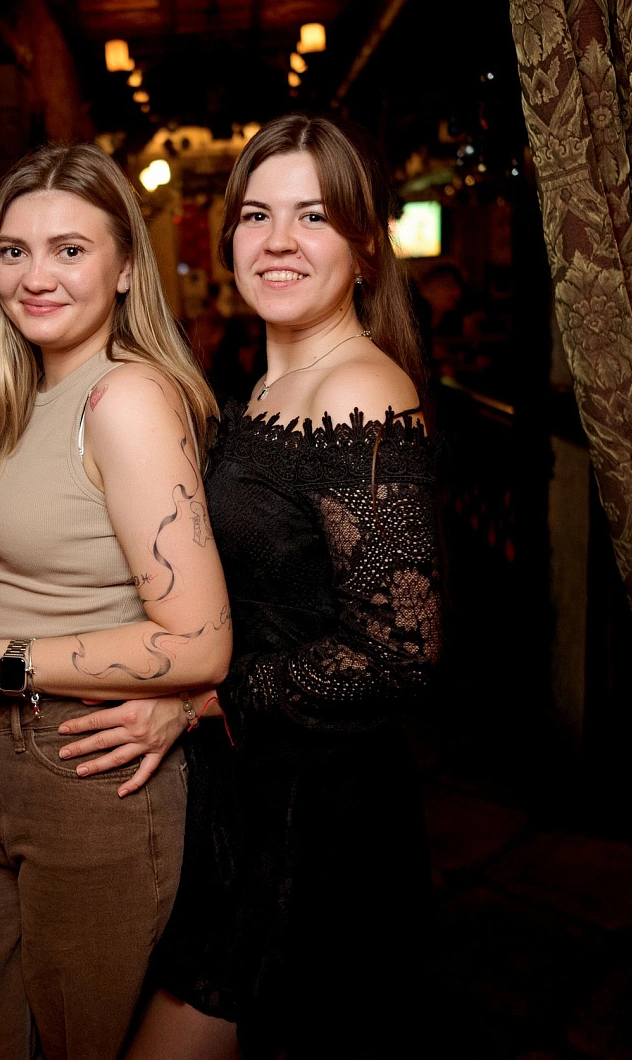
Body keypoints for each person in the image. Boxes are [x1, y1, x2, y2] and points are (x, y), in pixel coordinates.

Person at [0, 143, 231, 1060]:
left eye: (70, 250)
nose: (36, 277)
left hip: (88, 771)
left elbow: (199, 643)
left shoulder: (125, 398)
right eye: (14, 251)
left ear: (125, 268)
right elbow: (37, 584)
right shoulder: (24, 397)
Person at [127, 114, 443, 1058]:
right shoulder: (265, 389)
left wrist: (211, 696)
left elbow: (398, 652)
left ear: (365, 247)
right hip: (252, 787)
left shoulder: (360, 392)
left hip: (316, 806)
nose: (277, 241)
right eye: (257, 215)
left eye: (313, 216)